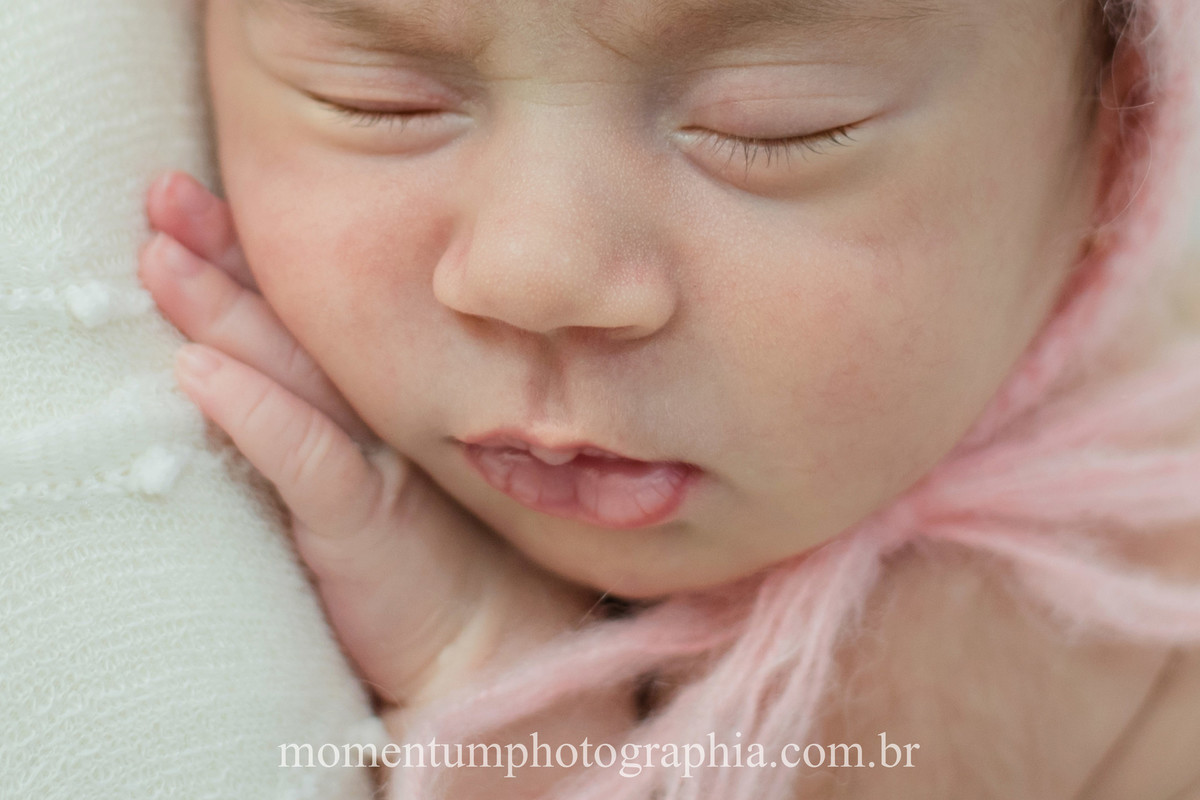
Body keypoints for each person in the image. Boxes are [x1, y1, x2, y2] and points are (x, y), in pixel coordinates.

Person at [136, 0, 1200, 796]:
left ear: (1117, 148)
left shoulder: (1128, 653)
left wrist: (497, 692)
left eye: (771, 122)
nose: (536, 273)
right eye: (378, 98)